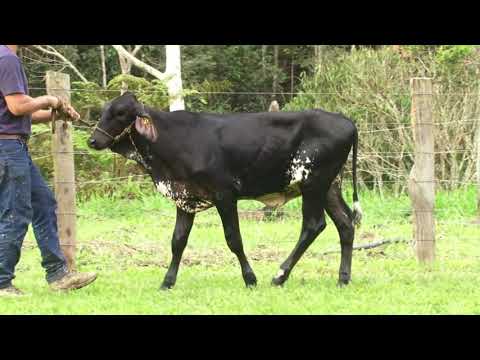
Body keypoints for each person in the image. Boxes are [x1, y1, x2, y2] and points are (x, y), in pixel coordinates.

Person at [0, 45, 97, 297]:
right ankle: (1, 282)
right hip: (7, 147)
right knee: (15, 212)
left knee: (43, 203)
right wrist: (52, 100)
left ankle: (58, 275)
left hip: (13, 145)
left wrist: (57, 115)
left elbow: (16, 114)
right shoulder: (6, 59)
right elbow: (18, 107)